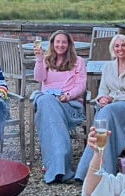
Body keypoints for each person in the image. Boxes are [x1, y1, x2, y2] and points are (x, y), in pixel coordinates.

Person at [75, 33, 125, 181]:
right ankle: (105, 172)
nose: (120, 48)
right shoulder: (108, 67)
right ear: (113, 48)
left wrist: (113, 98)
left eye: (123, 45)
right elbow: (102, 90)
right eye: (117, 46)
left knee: (105, 114)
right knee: (105, 117)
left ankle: (85, 172)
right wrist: (101, 99)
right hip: (111, 108)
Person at [32, 30, 87, 184]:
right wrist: (39, 58)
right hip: (49, 103)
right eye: (57, 42)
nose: (60, 45)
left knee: (45, 104)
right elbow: (38, 78)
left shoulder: (78, 62)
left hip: (69, 104)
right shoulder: (46, 59)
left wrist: (68, 95)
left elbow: (81, 85)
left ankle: (56, 165)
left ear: (69, 44)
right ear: (52, 44)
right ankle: (59, 164)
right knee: (45, 101)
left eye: (64, 42)